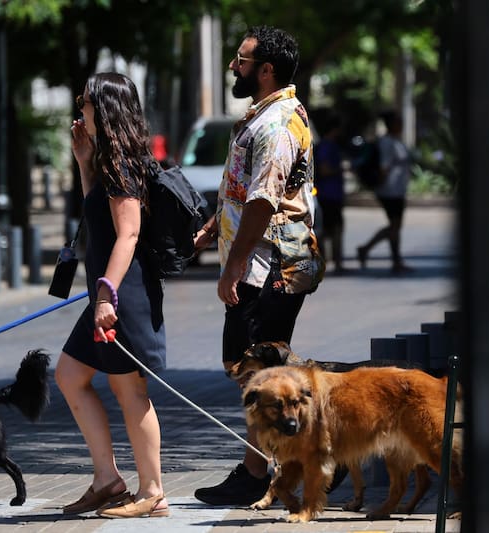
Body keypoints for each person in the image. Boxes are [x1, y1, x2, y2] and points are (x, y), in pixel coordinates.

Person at [191, 25, 324, 506]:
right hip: (263, 261)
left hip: (272, 267)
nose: (233, 66)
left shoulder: (276, 124)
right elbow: (248, 191)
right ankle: (280, 462)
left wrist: (233, 265)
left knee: (257, 370)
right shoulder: (267, 114)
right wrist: (216, 224)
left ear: (266, 70)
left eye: (241, 60)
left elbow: (265, 201)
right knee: (258, 369)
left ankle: (270, 467)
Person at [55, 72, 169, 519]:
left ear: (103, 107)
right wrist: (84, 162)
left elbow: (129, 233)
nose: (79, 107)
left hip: (123, 296)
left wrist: (106, 295)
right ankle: (107, 479)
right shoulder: (108, 159)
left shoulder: (123, 162)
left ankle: (153, 491)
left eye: (84, 100)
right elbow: (98, 217)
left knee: (129, 389)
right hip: (105, 295)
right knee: (70, 375)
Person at [356, 110, 413, 275]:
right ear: (391, 124)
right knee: (395, 226)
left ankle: (388, 257)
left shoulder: (396, 141)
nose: (401, 125)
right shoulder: (387, 143)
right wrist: (379, 185)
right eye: (398, 122)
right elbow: (383, 168)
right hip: (389, 191)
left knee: (395, 226)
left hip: (397, 190)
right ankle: (386, 256)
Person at [314, 112, 346, 274]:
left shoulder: (328, 145)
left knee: (331, 229)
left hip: (331, 194)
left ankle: (329, 261)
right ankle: (330, 262)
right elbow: (324, 169)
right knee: (333, 229)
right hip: (328, 194)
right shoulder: (327, 146)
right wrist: (340, 170)